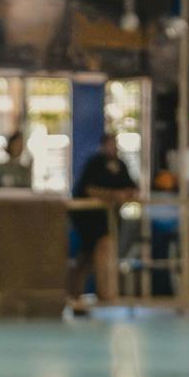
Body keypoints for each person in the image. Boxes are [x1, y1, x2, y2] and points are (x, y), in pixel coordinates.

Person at [67, 131, 138, 317]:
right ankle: (74, 293)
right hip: (88, 218)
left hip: (108, 219)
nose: (113, 147)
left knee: (101, 253)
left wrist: (123, 195)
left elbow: (131, 188)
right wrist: (113, 195)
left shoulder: (120, 164)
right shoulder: (95, 163)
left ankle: (103, 291)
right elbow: (88, 189)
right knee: (86, 254)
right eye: (111, 143)